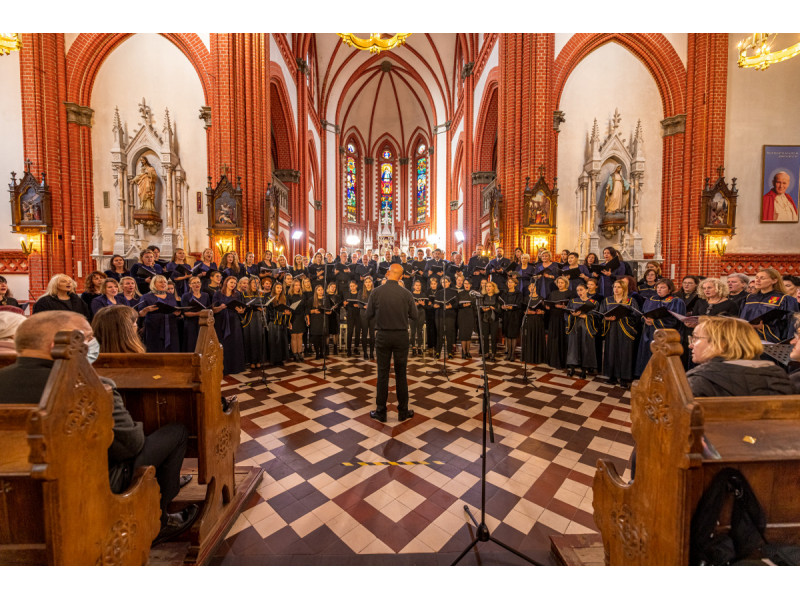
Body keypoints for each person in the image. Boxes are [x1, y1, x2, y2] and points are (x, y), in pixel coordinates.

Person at [0, 309, 197, 544]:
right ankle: (159, 520)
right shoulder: (92, 385)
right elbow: (130, 446)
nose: (93, 343)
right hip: (87, 483)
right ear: (58, 345)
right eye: (86, 337)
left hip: (11, 490)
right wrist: (136, 425)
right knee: (176, 432)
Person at [686, 316, 792, 396]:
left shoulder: (699, 382)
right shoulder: (780, 378)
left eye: (696, 338)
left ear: (721, 343)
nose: (691, 345)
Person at [365, 263, 418, 423]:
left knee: (382, 374)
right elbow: (414, 315)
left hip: (382, 336)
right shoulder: (406, 294)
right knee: (401, 374)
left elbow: (368, 314)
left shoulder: (376, 292)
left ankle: (381, 411)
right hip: (401, 336)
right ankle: (403, 411)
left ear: (387, 273)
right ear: (401, 276)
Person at [635, 278, 686, 377]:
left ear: (670, 289)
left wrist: (655, 322)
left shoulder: (676, 301)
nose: (659, 289)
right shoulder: (651, 299)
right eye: (657, 287)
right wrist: (645, 319)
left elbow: (675, 320)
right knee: (647, 355)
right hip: (648, 333)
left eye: (662, 287)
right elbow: (643, 314)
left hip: (665, 335)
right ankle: (645, 378)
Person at [739, 268, 799, 343]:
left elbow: (790, 324)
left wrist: (763, 327)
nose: (757, 280)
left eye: (762, 278)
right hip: (746, 337)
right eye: (757, 277)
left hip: (769, 340)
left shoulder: (784, 299)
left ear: (774, 281)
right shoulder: (749, 298)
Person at [600, 279, 640, 387]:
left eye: (619, 287)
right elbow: (601, 314)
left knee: (625, 353)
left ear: (624, 289)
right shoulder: (607, 300)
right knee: (611, 352)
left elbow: (637, 316)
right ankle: (612, 376)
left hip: (625, 330)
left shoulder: (630, 301)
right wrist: (607, 318)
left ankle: (624, 378)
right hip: (611, 329)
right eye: (614, 287)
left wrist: (624, 317)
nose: (616, 289)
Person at [137, 274, 181, 352]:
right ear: (153, 284)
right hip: (154, 328)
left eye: (165, 282)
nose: (163, 284)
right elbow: (140, 314)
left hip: (171, 327)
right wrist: (146, 310)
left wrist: (176, 313)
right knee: (155, 350)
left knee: (172, 350)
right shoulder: (146, 297)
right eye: (160, 282)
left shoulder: (170, 296)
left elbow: (174, 309)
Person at [212, 276, 246, 375]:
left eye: (235, 283)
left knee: (235, 342)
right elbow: (213, 309)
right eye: (231, 282)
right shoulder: (218, 294)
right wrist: (221, 307)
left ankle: (235, 367)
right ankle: (223, 367)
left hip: (234, 320)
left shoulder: (237, 294)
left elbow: (241, 309)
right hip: (221, 320)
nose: (233, 285)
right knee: (222, 343)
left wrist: (241, 311)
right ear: (226, 282)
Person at [565, 282, 600, 378]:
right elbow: (567, 314)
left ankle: (584, 370)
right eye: (577, 290)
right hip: (575, 327)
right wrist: (573, 315)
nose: (579, 292)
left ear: (587, 290)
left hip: (587, 327)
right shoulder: (573, 301)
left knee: (586, 347)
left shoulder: (594, 302)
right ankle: (572, 368)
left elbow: (597, 316)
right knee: (573, 347)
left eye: (581, 290)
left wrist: (587, 316)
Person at [545, 276, 575, 370]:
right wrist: (547, 307)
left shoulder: (570, 293)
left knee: (562, 339)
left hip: (563, 318)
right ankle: (552, 360)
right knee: (553, 338)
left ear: (566, 283)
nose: (560, 284)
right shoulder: (553, 293)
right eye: (559, 283)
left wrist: (564, 307)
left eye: (562, 283)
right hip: (553, 318)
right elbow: (549, 303)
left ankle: (563, 361)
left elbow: (572, 306)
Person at [241, 277, 266, 369]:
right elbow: (244, 306)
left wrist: (263, 308)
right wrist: (254, 308)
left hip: (259, 318)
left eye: (257, 283)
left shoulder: (261, 294)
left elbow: (264, 304)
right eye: (253, 283)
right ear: (250, 284)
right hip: (249, 319)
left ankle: (258, 360)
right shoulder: (244, 294)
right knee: (251, 340)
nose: (255, 285)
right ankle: (251, 361)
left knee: (259, 339)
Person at [180, 276, 211, 352]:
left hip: (203, 323)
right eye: (194, 283)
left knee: (203, 345)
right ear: (190, 285)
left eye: (198, 282)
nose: (197, 284)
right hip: (191, 324)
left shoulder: (205, 295)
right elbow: (185, 313)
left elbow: (209, 308)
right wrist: (198, 314)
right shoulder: (186, 296)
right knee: (192, 344)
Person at [266, 282, 290, 366]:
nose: (279, 289)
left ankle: (281, 359)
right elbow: (269, 311)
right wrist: (282, 313)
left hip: (282, 323)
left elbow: (287, 308)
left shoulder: (284, 298)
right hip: (273, 323)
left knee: (282, 341)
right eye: (278, 288)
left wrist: (287, 312)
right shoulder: (270, 298)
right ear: (274, 289)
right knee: (275, 342)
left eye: (280, 288)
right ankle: (274, 360)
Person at [500, 276, 524, 361]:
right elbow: (501, 302)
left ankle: (512, 354)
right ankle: (508, 353)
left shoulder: (518, 293)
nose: (509, 284)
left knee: (513, 336)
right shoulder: (504, 293)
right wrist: (502, 306)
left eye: (511, 282)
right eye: (508, 282)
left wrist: (511, 307)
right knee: (507, 335)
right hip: (506, 316)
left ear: (515, 284)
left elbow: (519, 305)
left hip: (514, 316)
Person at [434, 276, 458, 359]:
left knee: (449, 334)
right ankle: (438, 352)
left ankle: (450, 352)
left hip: (450, 314)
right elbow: (435, 302)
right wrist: (436, 305)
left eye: (446, 282)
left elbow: (457, 304)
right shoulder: (438, 292)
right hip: (439, 314)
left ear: (449, 282)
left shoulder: (454, 292)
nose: (444, 283)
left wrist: (451, 306)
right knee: (439, 334)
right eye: (443, 282)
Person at [479, 281, 501, 361]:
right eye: (487, 286)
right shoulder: (483, 297)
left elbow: (500, 310)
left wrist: (493, 308)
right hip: (485, 319)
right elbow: (479, 309)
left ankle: (493, 353)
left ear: (493, 287)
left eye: (489, 286)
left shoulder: (497, 297)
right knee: (485, 337)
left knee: (493, 338)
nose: (488, 288)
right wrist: (483, 309)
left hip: (494, 319)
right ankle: (486, 353)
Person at [287, 278, 308, 362]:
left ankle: (300, 353)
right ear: (292, 286)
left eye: (299, 285)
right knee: (293, 336)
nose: (297, 287)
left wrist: (306, 317)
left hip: (301, 317)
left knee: (300, 336)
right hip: (293, 317)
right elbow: (288, 309)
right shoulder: (289, 296)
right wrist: (289, 321)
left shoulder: (302, 296)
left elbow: (306, 307)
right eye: (296, 285)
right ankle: (294, 354)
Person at [456, 279, 475, 359]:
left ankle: (468, 351)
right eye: (465, 283)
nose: (466, 285)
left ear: (471, 284)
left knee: (468, 334)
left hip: (470, 314)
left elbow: (475, 304)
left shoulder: (473, 294)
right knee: (463, 334)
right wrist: (463, 305)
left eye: (468, 283)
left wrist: (470, 305)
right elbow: (456, 304)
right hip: (462, 314)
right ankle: (463, 352)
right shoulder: (460, 294)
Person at [359, 277, 376, 360]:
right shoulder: (361, 292)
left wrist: (371, 306)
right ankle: (365, 352)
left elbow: (377, 302)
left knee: (372, 335)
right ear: (364, 283)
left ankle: (372, 353)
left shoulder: (375, 292)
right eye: (366, 282)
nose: (368, 283)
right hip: (364, 314)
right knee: (364, 334)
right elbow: (358, 303)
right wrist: (364, 306)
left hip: (373, 315)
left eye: (369, 282)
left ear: (372, 283)